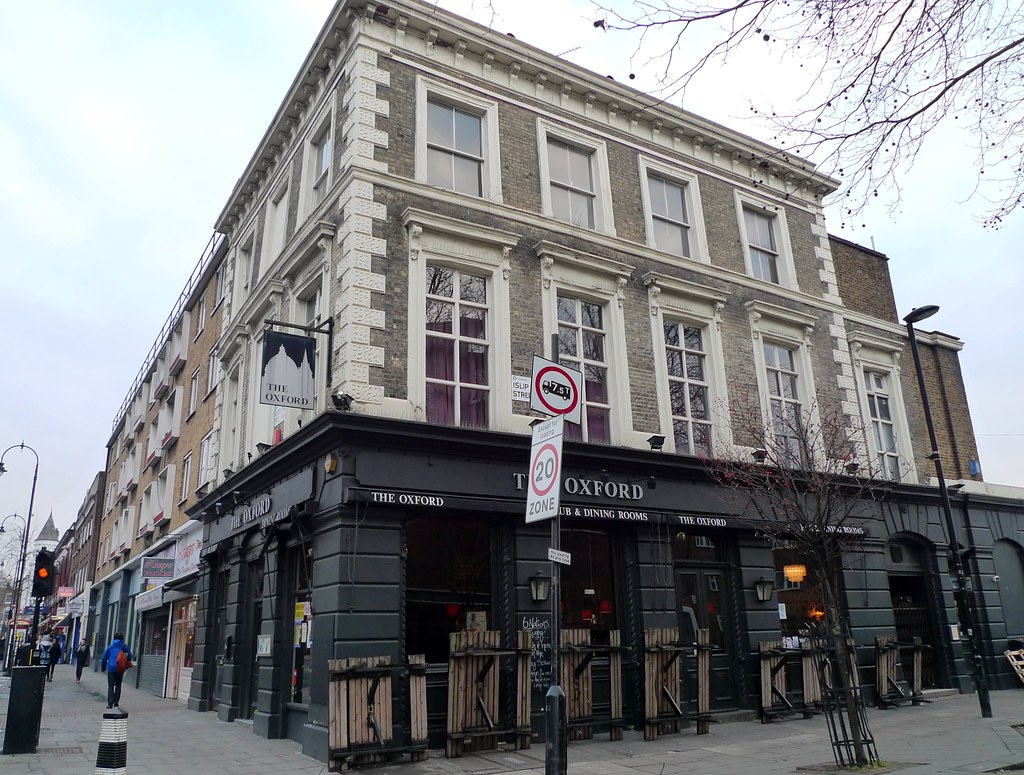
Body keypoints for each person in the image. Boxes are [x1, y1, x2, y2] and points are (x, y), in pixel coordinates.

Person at [100, 632, 133, 709]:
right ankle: (116, 702)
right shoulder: (124, 647)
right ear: (122, 639)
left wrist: (103, 668)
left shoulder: (110, 647)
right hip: (120, 668)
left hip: (111, 668)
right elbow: (130, 655)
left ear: (114, 639)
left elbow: (104, 658)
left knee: (110, 686)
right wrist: (126, 662)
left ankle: (109, 704)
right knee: (118, 685)